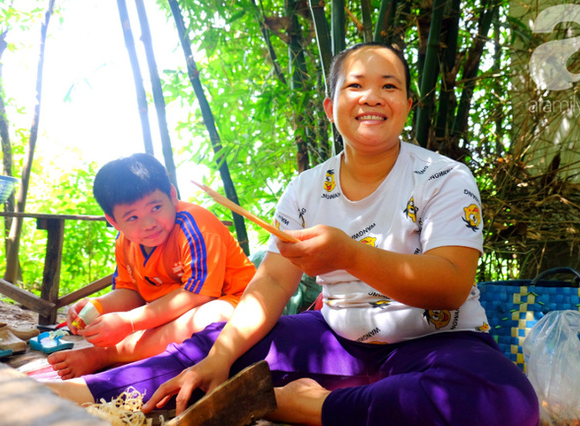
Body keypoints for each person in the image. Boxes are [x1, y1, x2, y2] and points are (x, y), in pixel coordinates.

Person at [47, 43, 539, 426]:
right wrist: (221, 357)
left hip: (437, 341)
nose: (371, 96)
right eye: (355, 86)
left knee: (502, 400)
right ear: (331, 107)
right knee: (218, 342)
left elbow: (450, 285)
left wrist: (349, 254)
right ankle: (92, 391)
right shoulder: (305, 188)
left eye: (389, 86)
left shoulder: (446, 177)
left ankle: (303, 407)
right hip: (336, 339)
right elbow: (272, 285)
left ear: (408, 104)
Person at [47, 153, 256, 379]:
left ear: (172, 195)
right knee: (163, 322)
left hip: (237, 305)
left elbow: (199, 295)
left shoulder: (195, 225)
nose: (148, 224)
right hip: (174, 314)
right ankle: (114, 353)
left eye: (155, 208)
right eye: (132, 218)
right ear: (114, 221)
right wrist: (98, 306)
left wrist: (129, 322)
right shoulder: (125, 242)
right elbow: (131, 292)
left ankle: (105, 355)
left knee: (211, 316)